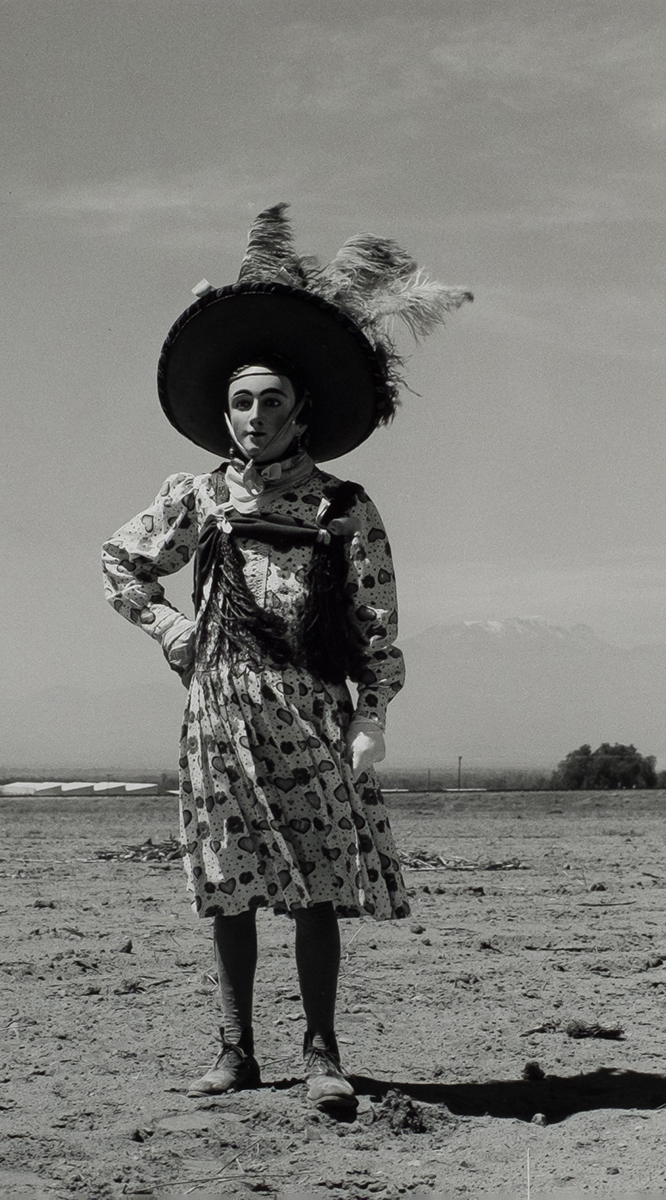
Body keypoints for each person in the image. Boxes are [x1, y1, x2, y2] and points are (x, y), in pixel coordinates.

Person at [102, 204, 470, 1114]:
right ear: (221, 414)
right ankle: (234, 1052)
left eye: (270, 401)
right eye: (239, 401)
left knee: (315, 886)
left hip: (310, 713)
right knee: (226, 883)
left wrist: (370, 719)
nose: (254, 417)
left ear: (300, 408)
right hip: (220, 709)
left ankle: (321, 1053)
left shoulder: (341, 506)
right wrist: (170, 631)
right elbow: (120, 562)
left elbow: (375, 622)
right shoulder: (195, 498)